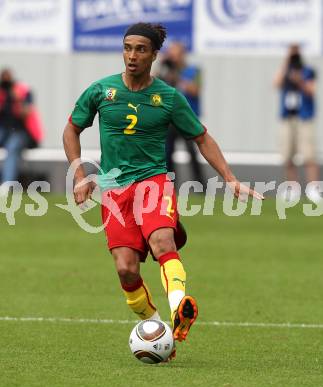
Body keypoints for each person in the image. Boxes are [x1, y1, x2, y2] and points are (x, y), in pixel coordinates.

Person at [63, 23, 263, 359]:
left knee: (162, 242)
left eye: (141, 49)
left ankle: (178, 307)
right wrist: (80, 175)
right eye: (128, 47)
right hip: (114, 190)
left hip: (153, 182)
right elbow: (71, 128)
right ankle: (159, 331)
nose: (132, 55)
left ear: (154, 55)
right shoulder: (101, 91)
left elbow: (202, 137)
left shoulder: (169, 98)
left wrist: (229, 178)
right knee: (126, 268)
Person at [274, 44, 321, 202]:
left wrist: (299, 80)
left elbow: (311, 90)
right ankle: (292, 188)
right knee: (288, 154)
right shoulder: (286, 70)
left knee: (309, 155)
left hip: (304, 117)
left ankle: (313, 188)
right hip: (288, 117)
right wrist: (286, 62)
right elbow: (276, 83)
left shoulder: (308, 71)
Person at [158, 41, 206, 188]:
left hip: (187, 118)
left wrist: (177, 75)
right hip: (169, 118)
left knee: (192, 152)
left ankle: (200, 185)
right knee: (168, 152)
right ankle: (170, 185)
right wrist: (162, 67)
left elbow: (195, 90)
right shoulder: (165, 72)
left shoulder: (194, 71)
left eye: (176, 54)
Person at [0, 68, 43, 190]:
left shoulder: (23, 92)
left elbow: (27, 112)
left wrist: (17, 99)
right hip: (4, 130)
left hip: (23, 132)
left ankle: (6, 184)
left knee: (12, 146)